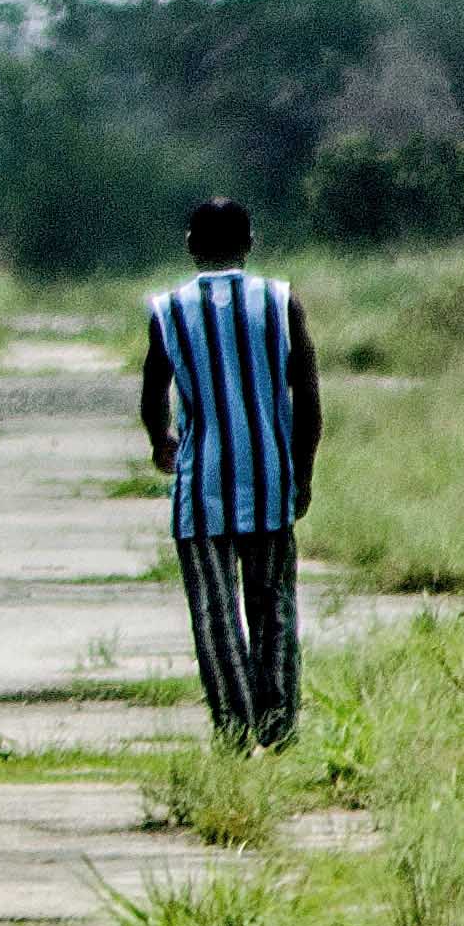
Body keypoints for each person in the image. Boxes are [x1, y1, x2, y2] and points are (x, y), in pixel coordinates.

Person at [140, 196, 323, 748]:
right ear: (250, 242)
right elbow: (308, 398)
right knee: (274, 608)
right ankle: (278, 724)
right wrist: (302, 474)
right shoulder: (281, 301)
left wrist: (162, 442)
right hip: (269, 480)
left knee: (214, 616)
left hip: (202, 491)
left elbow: (154, 394)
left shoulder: (169, 309)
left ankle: (235, 730)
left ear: (190, 245)